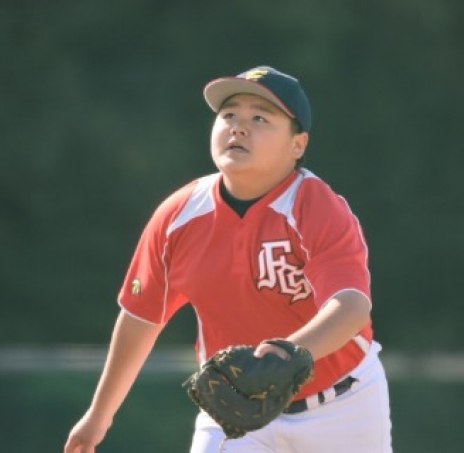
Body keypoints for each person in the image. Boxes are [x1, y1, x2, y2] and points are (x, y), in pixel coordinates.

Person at [64, 65, 393, 453]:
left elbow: (351, 306)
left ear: (298, 145)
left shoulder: (315, 206)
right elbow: (141, 318)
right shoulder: (178, 217)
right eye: (229, 115)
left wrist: (288, 353)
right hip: (236, 416)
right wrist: (99, 416)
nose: (239, 128)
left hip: (343, 408)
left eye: (260, 118)